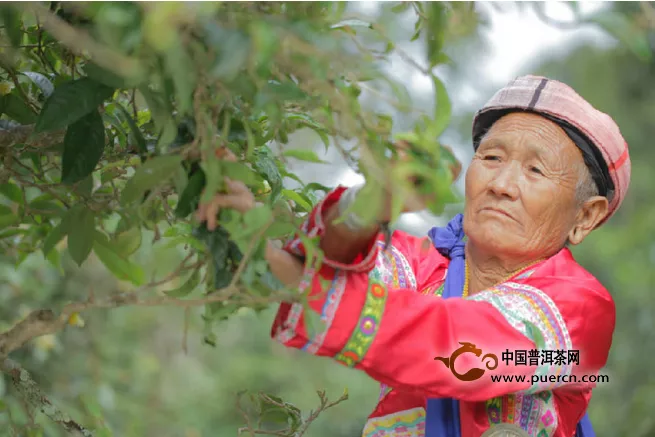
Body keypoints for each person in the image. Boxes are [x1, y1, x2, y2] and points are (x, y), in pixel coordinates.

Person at [196, 75, 631, 437]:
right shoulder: (425, 265)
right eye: (492, 157)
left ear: (585, 217)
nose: (501, 183)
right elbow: (323, 267)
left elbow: (464, 352)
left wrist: (293, 271)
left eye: (535, 170)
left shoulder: (580, 312)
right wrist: (371, 202)